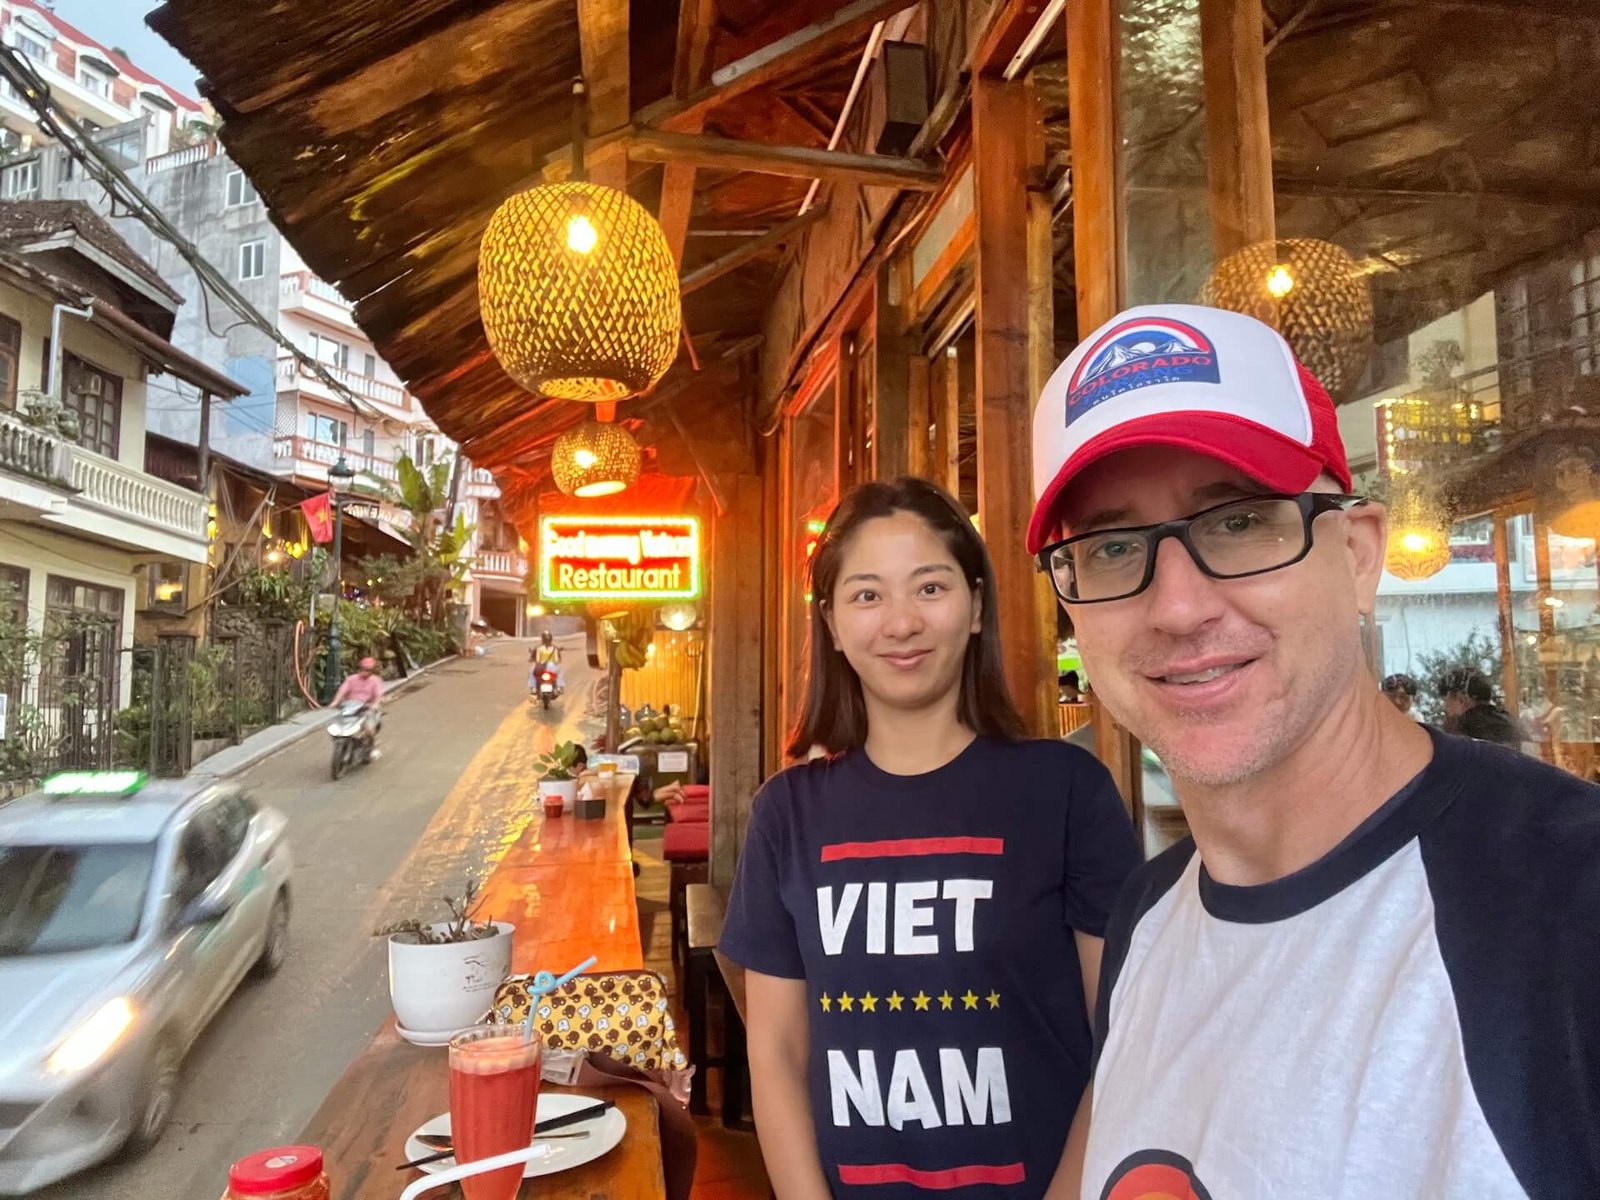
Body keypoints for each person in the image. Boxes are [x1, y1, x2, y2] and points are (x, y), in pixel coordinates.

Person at [1025, 302, 1600, 1198]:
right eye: (1112, 546)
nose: (1178, 607)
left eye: (1240, 521)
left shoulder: (1567, 909)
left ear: (1360, 555)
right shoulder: (1147, 918)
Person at [719, 477, 1140, 1199]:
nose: (901, 623)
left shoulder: (1066, 792)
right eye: (867, 595)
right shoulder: (786, 814)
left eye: (930, 588)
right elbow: (779, 1054)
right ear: (831, 622)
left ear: (976, 606)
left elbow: (1126, 1039)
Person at [1439, 668, 1522, 748]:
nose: (1445, 708)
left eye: (1446, 701)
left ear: (1461, 699)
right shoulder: (1510, 722)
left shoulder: (1463, 730)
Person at [332, 655, 384, 757]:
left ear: (371, 671)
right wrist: (336, 701)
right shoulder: (351, 679)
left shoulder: (376, 681)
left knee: (369, 728)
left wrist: (375, 704)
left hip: (367, 709)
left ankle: (372, 746)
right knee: (337, 726)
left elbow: (379, 696)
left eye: (367, 670)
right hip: (351, 708)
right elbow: (342, 691)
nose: (364, 671)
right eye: (362, 669)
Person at [530, 629, 562, 694]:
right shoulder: (554, 648)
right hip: (550, 666)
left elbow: (536, 659)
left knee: (532, 671)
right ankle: (558, 687)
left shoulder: (538, 648)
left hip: (541, 666)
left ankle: (534, 688)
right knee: (559, 672)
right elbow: (557, 659)